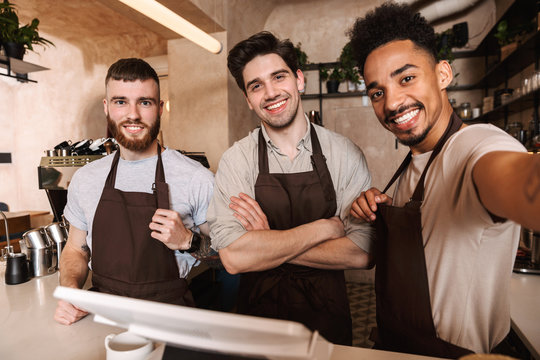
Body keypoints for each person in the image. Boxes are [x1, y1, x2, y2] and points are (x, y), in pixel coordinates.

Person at [348, 2, 540, 357]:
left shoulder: (476, 146)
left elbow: (519, 180)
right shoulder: (410, 164)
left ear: (442, 74)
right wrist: (382, 207)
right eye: (377, 92)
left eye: (406, 78)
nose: (392, 103)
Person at [206, 31, 374, 346]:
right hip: (259, 325)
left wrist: (266, 242)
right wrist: (327, 228)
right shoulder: (236, 160)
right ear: (248, 98)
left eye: (278, 77)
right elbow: (233, 259)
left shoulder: (343, 153)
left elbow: (361, 253)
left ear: (298, 79)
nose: (270, 92)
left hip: (328, 326)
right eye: (256, 86)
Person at [54, 58, 215, 325]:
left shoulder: (196, 177)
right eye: (120, 102)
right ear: (107, 107)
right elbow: (76, 250)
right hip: (101, 318)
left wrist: (190, 241)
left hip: (169, 320)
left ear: (160, 108)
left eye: (145, 102)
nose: (133, 115)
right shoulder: (86, 179)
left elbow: (229, 258)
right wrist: (70, 290)